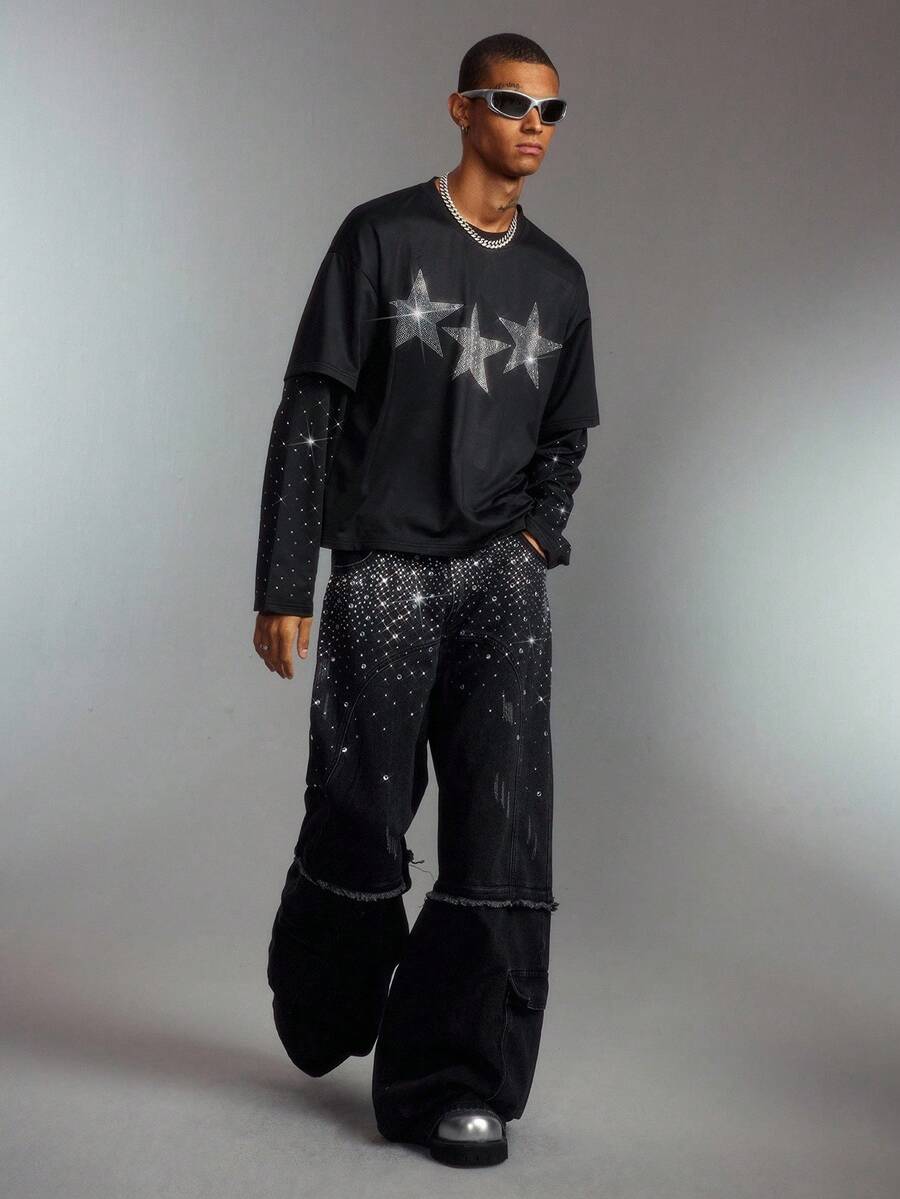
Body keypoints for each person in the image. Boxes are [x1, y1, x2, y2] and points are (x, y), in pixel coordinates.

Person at [253, 32, 599, 1168]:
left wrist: (536, 538)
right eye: (510, 102)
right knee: (362, 810)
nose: (533, 124)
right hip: (384, 571)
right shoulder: (380, 237)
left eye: (550, 110)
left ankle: (457, 1076)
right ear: (461, 109)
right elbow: (311, 409)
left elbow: (566, 440)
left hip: (500, 577)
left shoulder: (558, 280)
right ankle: (332, 987)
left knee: (501, 825)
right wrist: (285, 578)